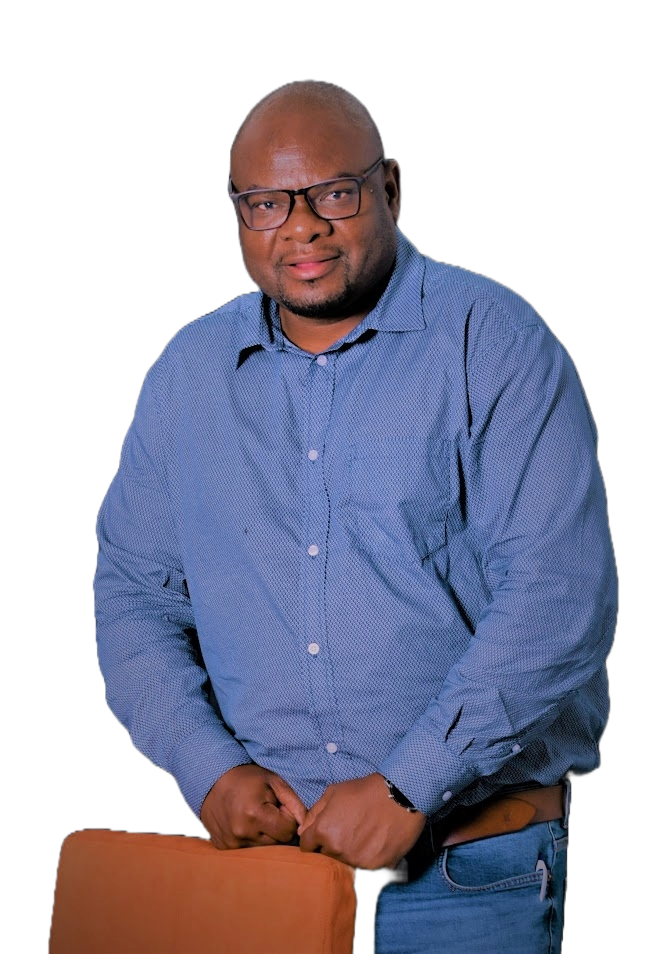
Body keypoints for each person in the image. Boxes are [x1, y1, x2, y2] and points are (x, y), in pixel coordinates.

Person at [93, 78, 618, 953]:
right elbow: (133, 595)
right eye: (267, 203)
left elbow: (560, 599)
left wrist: (412, 784)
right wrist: (206, 765)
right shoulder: (189, 374)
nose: (301, 227)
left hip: (466, 876)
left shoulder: (493, 341)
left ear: (391, 189)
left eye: (334, 194)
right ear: (240, 213)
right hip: (262, 882)